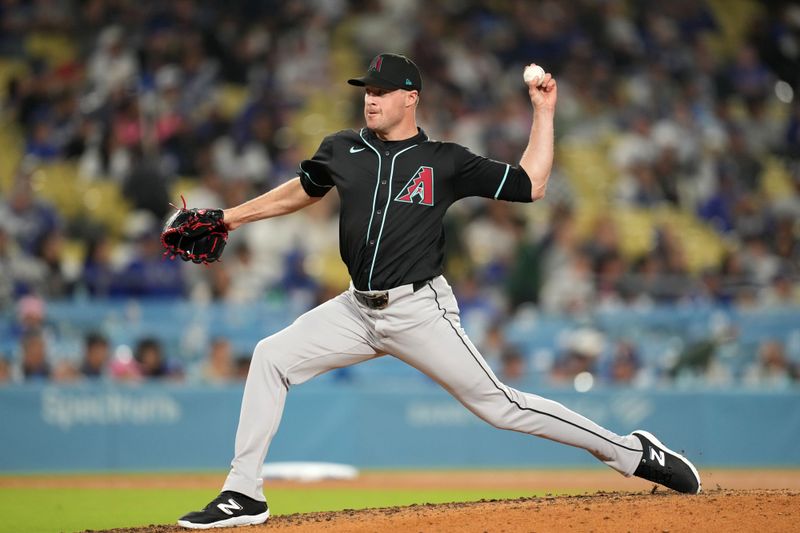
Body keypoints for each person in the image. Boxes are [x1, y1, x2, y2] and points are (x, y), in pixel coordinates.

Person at [178, 53, 701, 529]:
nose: (371, 98)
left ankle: (631, 453)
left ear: (411, 98)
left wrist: (543, 111)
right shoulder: (342, 147)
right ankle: (243, 493)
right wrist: (228, 218)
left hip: (418, 309)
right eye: (367, 90)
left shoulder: (444, 160)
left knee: (501, 407)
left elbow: (532, 183)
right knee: (270, 357)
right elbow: (304, 190)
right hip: (355, 309)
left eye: (382, 91)